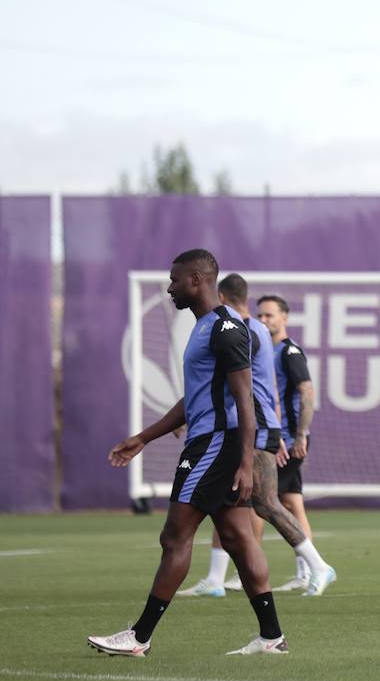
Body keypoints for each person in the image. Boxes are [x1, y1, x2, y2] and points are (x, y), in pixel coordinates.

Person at [89, 249, 287, 656]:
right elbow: (194, 397)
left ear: (197, 279)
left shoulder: (226, 329)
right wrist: (144, 437)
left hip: (215, 444)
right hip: (215, 442)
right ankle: (272, 638)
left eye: (175, 279)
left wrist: (246, 462)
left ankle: (139, 636)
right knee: (237, 537)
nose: (169, 287)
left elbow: (244, 399)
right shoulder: (204, 327)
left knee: (175, 535)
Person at [178, 277, 335, 598]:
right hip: (254, 427)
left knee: (267, 504)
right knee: (226, 503)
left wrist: (279, 432)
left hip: (254, 429)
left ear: (220, 296)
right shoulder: (253, 332)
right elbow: (265, 390)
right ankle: (216, 579)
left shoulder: (241, 331)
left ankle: (317, 566)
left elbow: (241, 387)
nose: (265, 320)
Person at [256, 293, 328, 592]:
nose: (263, 320)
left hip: (287, 439)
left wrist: (300, 435)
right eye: (260, 315)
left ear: (284, 318)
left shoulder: (289, 352)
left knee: (261, 502)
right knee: (291, 504)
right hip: (281, 437)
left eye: (269, 315)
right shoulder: (267, 351)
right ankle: (306, 571)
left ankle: (247, 568)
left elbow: (306, 391)